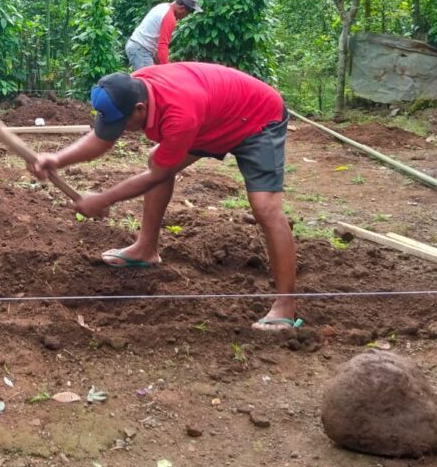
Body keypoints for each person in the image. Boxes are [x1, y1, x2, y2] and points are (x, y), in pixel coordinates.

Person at [28, 62, 300, 331]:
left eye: (123, 124)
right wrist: (57, 159)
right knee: (157, 158)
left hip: (256, 119)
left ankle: (286, 307)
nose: (120, 130)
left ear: (140, 109)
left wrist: (104, 198)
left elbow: (157, 175)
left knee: (264, 207)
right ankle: (146, 249)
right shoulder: (129, 89)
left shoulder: (179, 113)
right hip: (212, 120)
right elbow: (103, 138)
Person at [124, 0, 202, 70]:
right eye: (187, 13)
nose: (186, 15)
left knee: (155, 74)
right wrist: (167, 68)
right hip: (141, 49)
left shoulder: (164, 6)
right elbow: (162, 45)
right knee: (149, 80)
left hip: (139, 47)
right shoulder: (169, 17)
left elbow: (158, 46)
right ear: (181, 8)